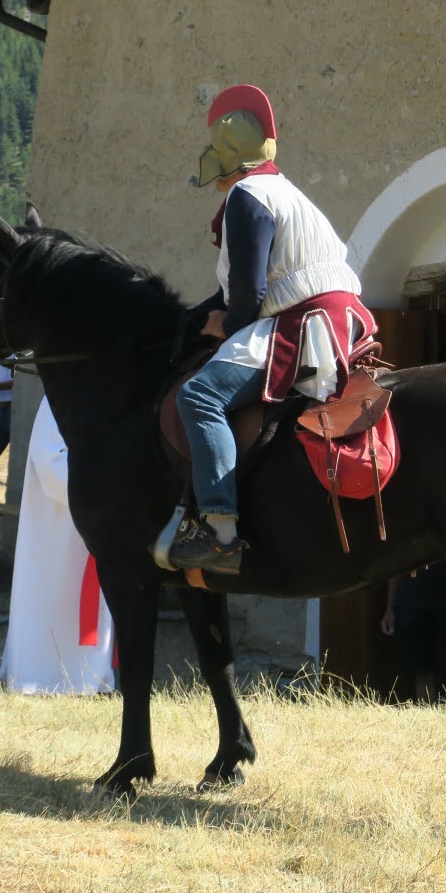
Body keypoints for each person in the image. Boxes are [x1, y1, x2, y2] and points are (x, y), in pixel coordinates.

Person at [169, 83, 365, 574]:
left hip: (301, 326)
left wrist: (224, 326)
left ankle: (220, 531)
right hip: (339, 316)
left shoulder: (247, 197)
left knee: (197, 397)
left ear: (229, 165)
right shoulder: (287, 194)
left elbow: (249, 297)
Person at [2, 398, 115, 694]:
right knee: (54, 595)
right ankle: (41, 676)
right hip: (59, 521)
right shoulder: (56, 398)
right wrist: (102, 489)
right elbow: (49, 460)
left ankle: (92, 677)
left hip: (99, 515)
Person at [380, 562, 446, 703]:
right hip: (412, 601)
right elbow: (394, 566)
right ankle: (427, 712)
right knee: (420, 666)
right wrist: (389, 608)